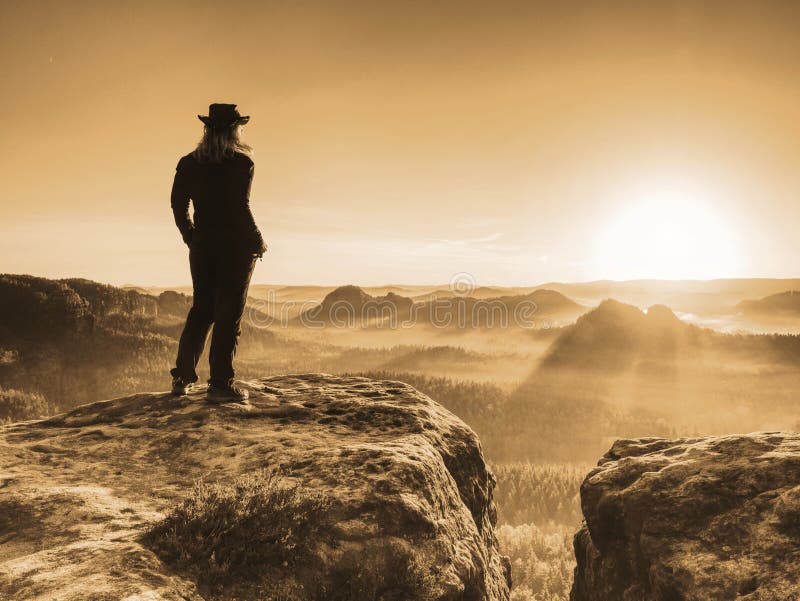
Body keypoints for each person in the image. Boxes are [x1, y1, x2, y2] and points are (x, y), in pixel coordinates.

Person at [169, 103, 267, 402]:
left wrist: (190, 236)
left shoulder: (188, 163)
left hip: (203, 247)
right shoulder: (241, 164)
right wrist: (258, 241)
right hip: (236, 248)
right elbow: (240, 208)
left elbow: (178, 204)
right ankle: (221, 383)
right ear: (233, 130)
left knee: (201, 311)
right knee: (229, 315)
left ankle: (183, 378)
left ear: (207, 130)